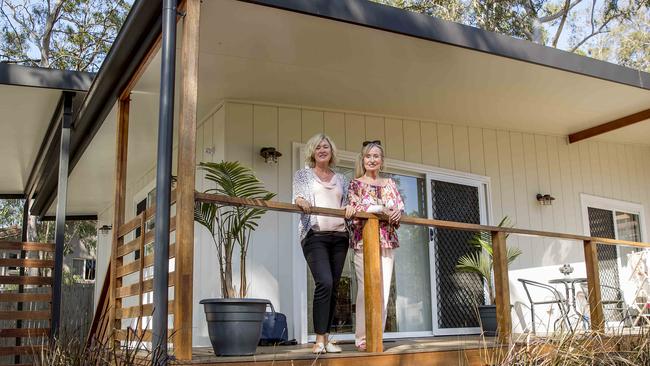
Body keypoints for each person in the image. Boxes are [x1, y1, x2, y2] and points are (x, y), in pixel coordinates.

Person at [293, 133, 354, 354]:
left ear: (331, 152)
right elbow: (298, 196)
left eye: (325, 147)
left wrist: (349, 208)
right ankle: (319, 339)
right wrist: (300, 201)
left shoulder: (342, 179)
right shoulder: (303, 175)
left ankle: (327, 338)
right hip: (315, 236)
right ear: (312, 151)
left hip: (339, 237)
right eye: (318, 147)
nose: (322, 150)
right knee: (325, 283)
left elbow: (348, 203)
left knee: (335, 287)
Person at [345, 140, 404, 352]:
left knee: (383, 290)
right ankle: (362, 337)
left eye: (376, 156)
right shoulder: (355, 184)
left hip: (387, 239)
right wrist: (381, 208)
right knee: (365, 289)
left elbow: (397, 210)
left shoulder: (390, 183)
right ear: (363, 159)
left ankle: (376, 335)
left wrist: (395, 213)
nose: (372, 159)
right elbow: (355, 208)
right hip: (364, 241)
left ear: (381, 161)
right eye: (368, 156)